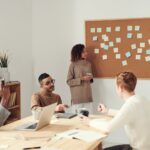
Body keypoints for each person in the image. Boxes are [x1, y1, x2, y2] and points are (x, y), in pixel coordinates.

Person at [82, 72, 150, 150]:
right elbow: (127, 115)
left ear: (120, 88)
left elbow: (108, 127)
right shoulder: (141, 99)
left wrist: (89, 122)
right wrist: (107, 111)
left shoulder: (130, 105)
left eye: (116, 86)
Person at [67, 44, 93, 114]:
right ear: (77, 52)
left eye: (86, 51)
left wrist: (90, 78)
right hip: (77, 98)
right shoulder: (73, 64)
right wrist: (81, 79)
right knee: (77, 119)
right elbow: (69, 81)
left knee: (88, 118)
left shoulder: (88, 64)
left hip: (87, 96)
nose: (86, 53)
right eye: (83, 52)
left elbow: (90, 79)